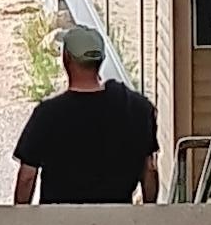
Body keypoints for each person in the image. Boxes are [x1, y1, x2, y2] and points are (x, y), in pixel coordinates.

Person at [11, 23, 159, 204]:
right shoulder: (138, 108)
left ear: (66, 59)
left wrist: (21, 221)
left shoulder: (47, 115)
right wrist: (149, 212)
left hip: (60, 222)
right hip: (117, 219)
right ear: (102, 59)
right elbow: (149, 170)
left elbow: (27, 177)